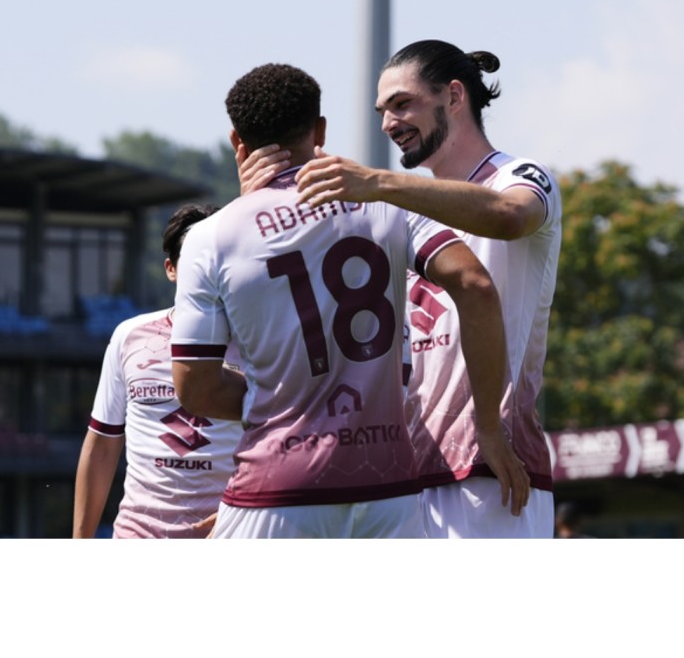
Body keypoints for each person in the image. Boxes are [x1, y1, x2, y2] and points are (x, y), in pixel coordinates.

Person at [170, 62, 529, 539]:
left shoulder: (211, 236)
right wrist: (487, 426)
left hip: (276, 492)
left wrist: (284, 400)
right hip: (389, 490)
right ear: (319, 130)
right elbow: (476, 285)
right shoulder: (389, 207)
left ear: (237, 141)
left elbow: (195, 388)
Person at [287, 39, 562, 538]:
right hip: (403, 475)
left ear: (454, 96)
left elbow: (510, 216)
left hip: (492, 471)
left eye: (402, 103)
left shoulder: (519, 176)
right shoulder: (400, 211)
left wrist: (379, 184)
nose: (389, 123)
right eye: (382, 111)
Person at [72, 202, 244, 538]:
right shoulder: (129, 335)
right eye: (196, 263)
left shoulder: (262, 341)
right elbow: (102, 444)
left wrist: (242, 506)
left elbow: (288, 440)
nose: (208, 273)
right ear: (171, 269)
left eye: (218, 261)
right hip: (137, 535)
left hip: (228, 536)